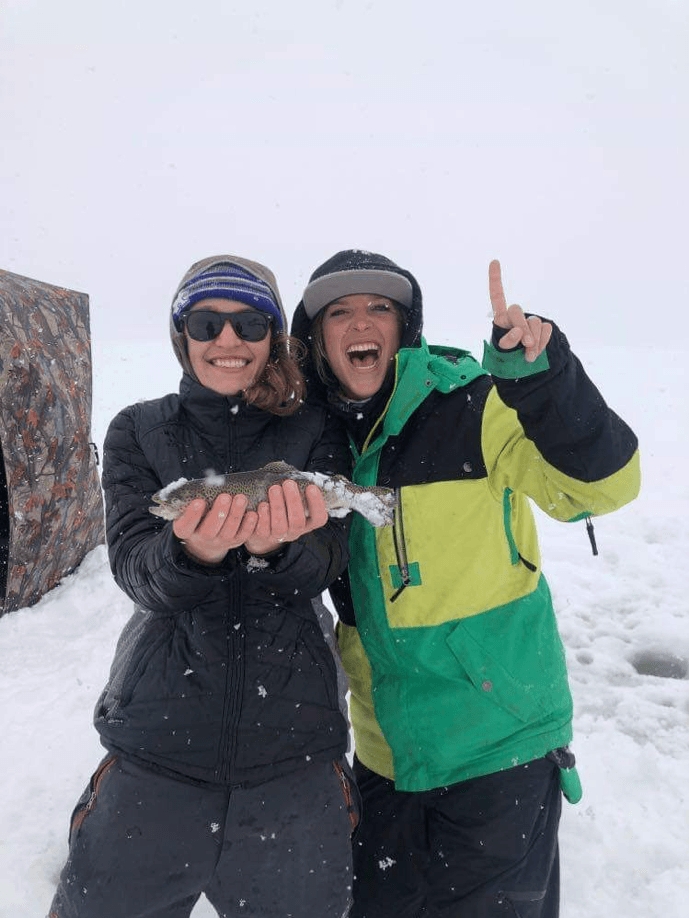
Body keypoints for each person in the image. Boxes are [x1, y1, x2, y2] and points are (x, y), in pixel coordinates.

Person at [291, 249, 640, 918]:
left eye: (379, 308)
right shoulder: (318, 441)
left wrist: (541, 382)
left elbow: (601, 488)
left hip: (498, 745)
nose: (360, 322)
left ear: (405, 328)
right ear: (315, 342)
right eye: (339, 311)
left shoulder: (476, 405)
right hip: (385, 753)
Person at [49, 255, 359, 918]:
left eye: (249, 323)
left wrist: (279, 550)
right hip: (155, 747)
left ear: (274, 336)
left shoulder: (317, 429)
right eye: (206, 321)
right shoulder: (138, 429)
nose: (227, 340)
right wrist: (191, 551)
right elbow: (137, 568)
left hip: (296, 751)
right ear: (180, 333)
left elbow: (329, 563)